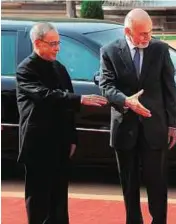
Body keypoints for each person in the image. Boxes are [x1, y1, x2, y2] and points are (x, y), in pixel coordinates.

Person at [16, 22, 107, 224]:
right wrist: (79, 99)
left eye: (58, 43)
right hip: (38, 143)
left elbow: (66, 108)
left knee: (59, 196)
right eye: (52, 43)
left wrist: (72, 138)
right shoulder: (25, 70)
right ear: (38, 43)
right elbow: (45, 96)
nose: (57, 48)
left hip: (60, 142)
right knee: (39, 195)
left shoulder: (59, 68)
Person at [99, 8, 176, 224]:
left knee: (157, 183)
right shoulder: (110, 51)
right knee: (129, 184)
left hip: (155, 128)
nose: (147, 38)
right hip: (125, 127)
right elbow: (106, 86)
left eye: (150, 32)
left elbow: (169, 88)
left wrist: (172, 124)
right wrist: (126, 101)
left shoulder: (160, 50)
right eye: (142, 33)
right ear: (128, 31)